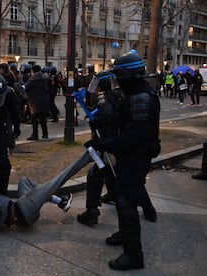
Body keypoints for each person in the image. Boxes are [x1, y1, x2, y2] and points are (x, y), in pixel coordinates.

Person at [85, 51, 161, 270]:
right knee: (121, 197)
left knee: (126, 201)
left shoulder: (141, 98)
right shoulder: (134, 93)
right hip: (131, 154)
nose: (117, 80)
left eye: (119, 75)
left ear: (129, 75)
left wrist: (106, 144)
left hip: (137, 155)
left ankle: (133, 255)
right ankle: (125, 233)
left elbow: (135, 135)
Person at [77, 70, 120, 225]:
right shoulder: (119, 94)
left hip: (106, 140)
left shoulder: (104, 96)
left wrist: (96, 121)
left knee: (95, 173)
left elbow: (106, 114)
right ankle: (113, 195)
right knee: (109, 169)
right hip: (117, 140)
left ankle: (92, 212)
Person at [25, 65, 50, 140]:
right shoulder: (45, 78)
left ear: (33, 71)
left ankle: (35, 134)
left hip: (34, 101)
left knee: (34, 119)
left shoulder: (32, 79)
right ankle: (45, 134)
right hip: (44, 99)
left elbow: (26, 87)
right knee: (43, 119)